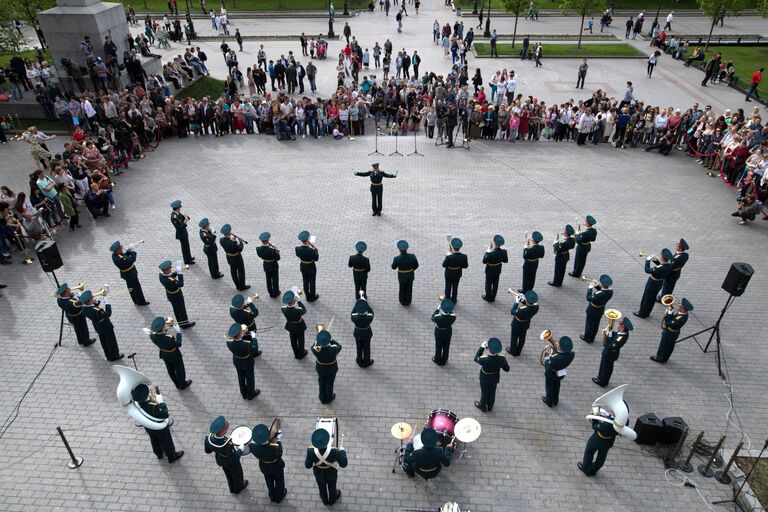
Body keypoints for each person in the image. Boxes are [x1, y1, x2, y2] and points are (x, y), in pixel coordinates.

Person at [132, 384, 184, 463]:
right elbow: (165, 414)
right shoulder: (153, 407)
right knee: (166, 442)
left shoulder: (137, 404)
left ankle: (158, 453)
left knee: (154, 440)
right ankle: (172, 456)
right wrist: (161, 402)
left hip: (148, 427)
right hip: (159, 428)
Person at [204, 416, 248, 493]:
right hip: (231, 462)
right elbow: (235, 458)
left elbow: (207, 451)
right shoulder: (227, 445)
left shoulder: (208, 438)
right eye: (226, 430)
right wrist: (240, 449)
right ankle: (238, 488)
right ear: (221, 432)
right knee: (236, 475)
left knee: (228, 474)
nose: (227, 431)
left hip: (221, 460)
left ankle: (232, 488)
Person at [305, 427, 347, 506]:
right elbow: (343, 464)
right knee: (332, 486)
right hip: (331, 471)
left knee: (321, 486)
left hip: (318, 472)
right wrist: (342, 451)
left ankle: (324, 499)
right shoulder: (334, 451)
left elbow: (308, 465)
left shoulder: (310, 451)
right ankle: (332, 499)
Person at [148, 316, 192, 389]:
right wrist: (178, 332)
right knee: (179, 370)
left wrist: (164, 329)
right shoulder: (169, 338)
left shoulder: (152, 336)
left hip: (164, 355)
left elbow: (158, 334)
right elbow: (178, 344)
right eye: (164, 326)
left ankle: (177, 384)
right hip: (174, 355)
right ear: (162, 328)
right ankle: (183, 384)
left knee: (170, 370)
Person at [81, 289, 124, 361]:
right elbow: (108, 314)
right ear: (90, 300)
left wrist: (96, 303)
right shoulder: (97, 310)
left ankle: (108, 355)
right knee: (111, 341)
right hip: (105, 326)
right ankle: (114, 356)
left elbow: (93, 309)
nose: (93, 297)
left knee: (103, 341)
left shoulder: (84, 308)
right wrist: (107, 304)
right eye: (92, 297)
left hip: (97, 326)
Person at [250, 423, 287, 503]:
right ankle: (279, 497)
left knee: (268, 481)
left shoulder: (253, 447)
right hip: (276, 466)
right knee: (279, 481)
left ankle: (272, 496)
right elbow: (279, 454)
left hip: (264, 466)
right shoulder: (275, 446)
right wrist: (278, 440)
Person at [633, 249, 673, 319]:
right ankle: (647, 312)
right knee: (652, 299)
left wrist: (647, 261)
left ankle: (642, 313)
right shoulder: (669, 265)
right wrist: (654, 260)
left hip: (652, 284)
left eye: (661, 256)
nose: (660, 256)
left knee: (646, 299)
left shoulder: (659, 268)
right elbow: (661, 265)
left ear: (663, 258)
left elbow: (647, 270)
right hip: (659, 283)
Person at [579, 410, 620, 476]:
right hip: (609, 442)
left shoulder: (606, 424)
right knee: (602, 456)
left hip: (597, 440)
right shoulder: (624, 422)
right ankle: (594, 470)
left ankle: (586, 470)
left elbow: (595, 426)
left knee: (589, 452)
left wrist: (594, 416)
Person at [593, 317, 632, 387]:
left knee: (605, 368)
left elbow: (610, 346)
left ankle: (602, 382)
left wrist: (607, 338)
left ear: (623, 328)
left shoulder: (620, 339)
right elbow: (616, 335)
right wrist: (611, 332)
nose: (618, 326)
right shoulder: (623, 333)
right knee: (608, 367)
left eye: (620, 325)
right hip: (612, 354)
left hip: (610, 354)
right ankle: (602, 378)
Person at [226, 323, 261, 400]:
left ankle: (244, 393)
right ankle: (250, 394)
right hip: (247, 362)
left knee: (241, 378)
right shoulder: (246, 344)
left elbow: (238, 343)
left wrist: (243, 336)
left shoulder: (229, 342)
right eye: (242, 331)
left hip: (237, 362)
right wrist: (254, 338)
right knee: (250, 378)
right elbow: (254, 349)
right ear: (240, 333)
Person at [474, 337, 510, 412]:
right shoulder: (502, 358)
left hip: (484, 378)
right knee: (492, 392)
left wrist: (481, 348)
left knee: (484, 392)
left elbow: (476, 358)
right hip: (494, 378)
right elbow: (507, 369)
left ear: (488, 349)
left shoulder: (483, 359)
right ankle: (490, 406)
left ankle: (483, 406)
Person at [651, 298, 692, 363]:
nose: (679, 304)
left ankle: (660, 358)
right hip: (673, 333)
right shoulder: (683, 313)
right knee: (669, 346)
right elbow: (674, 318)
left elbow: (668, 323)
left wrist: (670, 313)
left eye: (681, 304)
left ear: (683, 307)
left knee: (664, 345)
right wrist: (672, 312)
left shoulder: (681, 318)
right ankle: (665, 357)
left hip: (670, 333)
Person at [110, 241, 150, 306]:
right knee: (137, 287)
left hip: (126, 274)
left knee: (130, 287)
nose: (122, 247)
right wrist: (133, 251)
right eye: (120, 247)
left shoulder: (115, 255)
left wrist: (129, 251)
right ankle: (141, 301)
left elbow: (125, 257)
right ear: (117, 250)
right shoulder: (120, 257)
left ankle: (135, 300)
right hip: (130, 274)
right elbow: (131, 260)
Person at [159, 259, 195, 328]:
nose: (171, 268)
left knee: (176, 309)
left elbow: (169, 277)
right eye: (170, 268)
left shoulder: (161, 275)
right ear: (166, 270)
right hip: (176, 295)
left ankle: (180, 322)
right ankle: (184, 324)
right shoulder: (170, 281)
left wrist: (175, 272)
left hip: (170, 294)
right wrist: (180, 274)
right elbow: (180, 284)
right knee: (181, 309)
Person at [542, 336, 574, 407]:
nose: (557, 344)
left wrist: (547, 357)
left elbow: (548, 367)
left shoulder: (554, 358)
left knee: (549, 387)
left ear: (560, 348)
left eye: (558, 344)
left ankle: (549, 401)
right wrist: (557, 351)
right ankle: (555, 400)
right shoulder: (572, 354)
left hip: (551, 374)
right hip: (560, 374)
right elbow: (561, 355)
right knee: (557, 385)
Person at [580, 275, 613, 343]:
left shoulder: (598, 294)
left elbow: (589, 298)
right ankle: (592, 337)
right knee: (596, 324)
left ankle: (587, 338)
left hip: (593, 310)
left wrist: (590, 288)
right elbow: (603, 291)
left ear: (602, 284)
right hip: (600, 310)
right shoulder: (610, 291)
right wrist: (596, 285)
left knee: (589, 324)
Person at [312, 330, 341, 403]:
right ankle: (329, 397)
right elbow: (339, 346)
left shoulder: (317, 350)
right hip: (331, 368)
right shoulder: (333, 349)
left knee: (321, 381)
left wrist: (318, 341)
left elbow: (313, 346)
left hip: (320, 368)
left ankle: (322, 397)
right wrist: (331, 340)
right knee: (330, 382)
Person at [507, 290, 539, 356]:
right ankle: (519, 351)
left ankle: (513, 351)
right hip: (526, 324)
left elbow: (513, 312)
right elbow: (529, 304)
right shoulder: (536, 306)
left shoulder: (522, 310)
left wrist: (516, 302)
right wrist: (522, 299)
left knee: (514, 337)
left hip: (517, 324)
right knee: (522, 338)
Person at [219, 224, 249, 291]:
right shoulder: (232, 242)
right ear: (229, 232)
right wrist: (240, 242)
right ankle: (242, 286)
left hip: (229, 257)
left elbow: (230, 245)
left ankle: (237, 285)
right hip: (237, 258)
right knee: (241, 271)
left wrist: (234, 239)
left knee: (233, 271)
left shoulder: (221, 240)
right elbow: (239, 249)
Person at [281, 290, 308, 359]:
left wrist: (294, 300)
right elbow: (304, 310)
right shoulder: (297, 310)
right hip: (299, 326)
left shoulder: (283, 309)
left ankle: (296, 354)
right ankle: (301, 353)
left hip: (290, 326)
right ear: (293, 301)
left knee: (293, 340)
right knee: (301, 340)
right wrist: (298, 301)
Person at [391, 239, 419, 305]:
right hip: (410, 275)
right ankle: (408, 301)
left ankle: (402, 300)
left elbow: (393, 267)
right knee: (409, 288)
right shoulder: (412, 256)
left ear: (399, 249)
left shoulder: (396, 258)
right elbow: (416, 265)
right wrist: (411, 270)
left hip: (401, 275)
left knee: (402, 288)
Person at [482, 234, 508, 302]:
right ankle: (493, 297)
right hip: (498, 269)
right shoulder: (504, 252)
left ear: (494, 243)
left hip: (490, 270)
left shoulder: (490, 253)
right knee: (495, 283)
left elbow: (484, 261)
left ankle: (488, 297)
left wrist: (487, 252)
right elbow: (505, 261)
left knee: (488, 284)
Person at [442, 237, 468, 303]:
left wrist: (447, 255)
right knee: (455, 287)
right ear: (460, 247)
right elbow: (465, 266)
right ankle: (454, 299)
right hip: (457, 274)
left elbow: (444, 265)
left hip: (449, 274)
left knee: (448, 286)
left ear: (453, 247)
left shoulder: (449, 257)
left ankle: (447, 298)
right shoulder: (464, 256)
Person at [296, 230, 320, 301]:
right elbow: (316, 259)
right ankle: (313, 297)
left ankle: (307, 296)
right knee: (312, 282)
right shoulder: (312, 250)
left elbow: (298, 255)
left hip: (303, 266)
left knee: (305, 281)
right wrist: (315, 249)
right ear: (307, 239)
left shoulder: (297, 249)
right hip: (311, 266)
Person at [351, 296, 374, 367]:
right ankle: (367, 361)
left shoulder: (355, 317)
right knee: (367, 348)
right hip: (367, 334)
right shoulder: (369, 317)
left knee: (359, 347)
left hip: (358, 334)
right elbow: (371, 312)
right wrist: (365, 303)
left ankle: (359, 361)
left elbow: (353, 312)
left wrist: (358, 304)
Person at [431, 298, 456, 366]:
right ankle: (444, 359)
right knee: (446, 346)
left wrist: (437, 309)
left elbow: (432, 317)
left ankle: (437, 359)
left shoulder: (437, 317)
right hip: (448, 332)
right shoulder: (453, 317)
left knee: (438, 346)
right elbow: (452, 314)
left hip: (439, 332)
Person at [256, 232, 281, 298]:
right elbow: (278, 258)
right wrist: (276, 249)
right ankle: (276, 292)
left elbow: (260, 255)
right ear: (267, 240)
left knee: (268, 279)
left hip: (266, 264)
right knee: (275, 279)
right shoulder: (271, 250)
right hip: (273, 265)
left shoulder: (258, 249)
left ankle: (270, 292)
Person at [170, 200, 194, 265]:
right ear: (177, 208)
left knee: (187, 245)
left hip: (184, 232)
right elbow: (178, 227)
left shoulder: (178, 213)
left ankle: (189, 257)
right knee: (184, 248)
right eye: (180, 207)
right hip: (181, 233)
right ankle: (187, 261)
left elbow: (182, 218)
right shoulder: (174, 217)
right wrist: (185, 222)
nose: (180, 208)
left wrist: (187, 217)